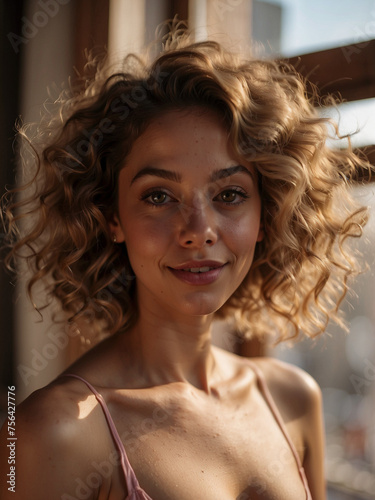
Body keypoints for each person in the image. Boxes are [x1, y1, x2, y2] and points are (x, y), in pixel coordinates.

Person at [0, 28, 371, 500]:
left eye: (230, 194)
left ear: (266, 215)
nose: (198, 229)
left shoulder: (294, 398)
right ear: (112, 217)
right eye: (159, 196)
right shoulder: (49, 432)